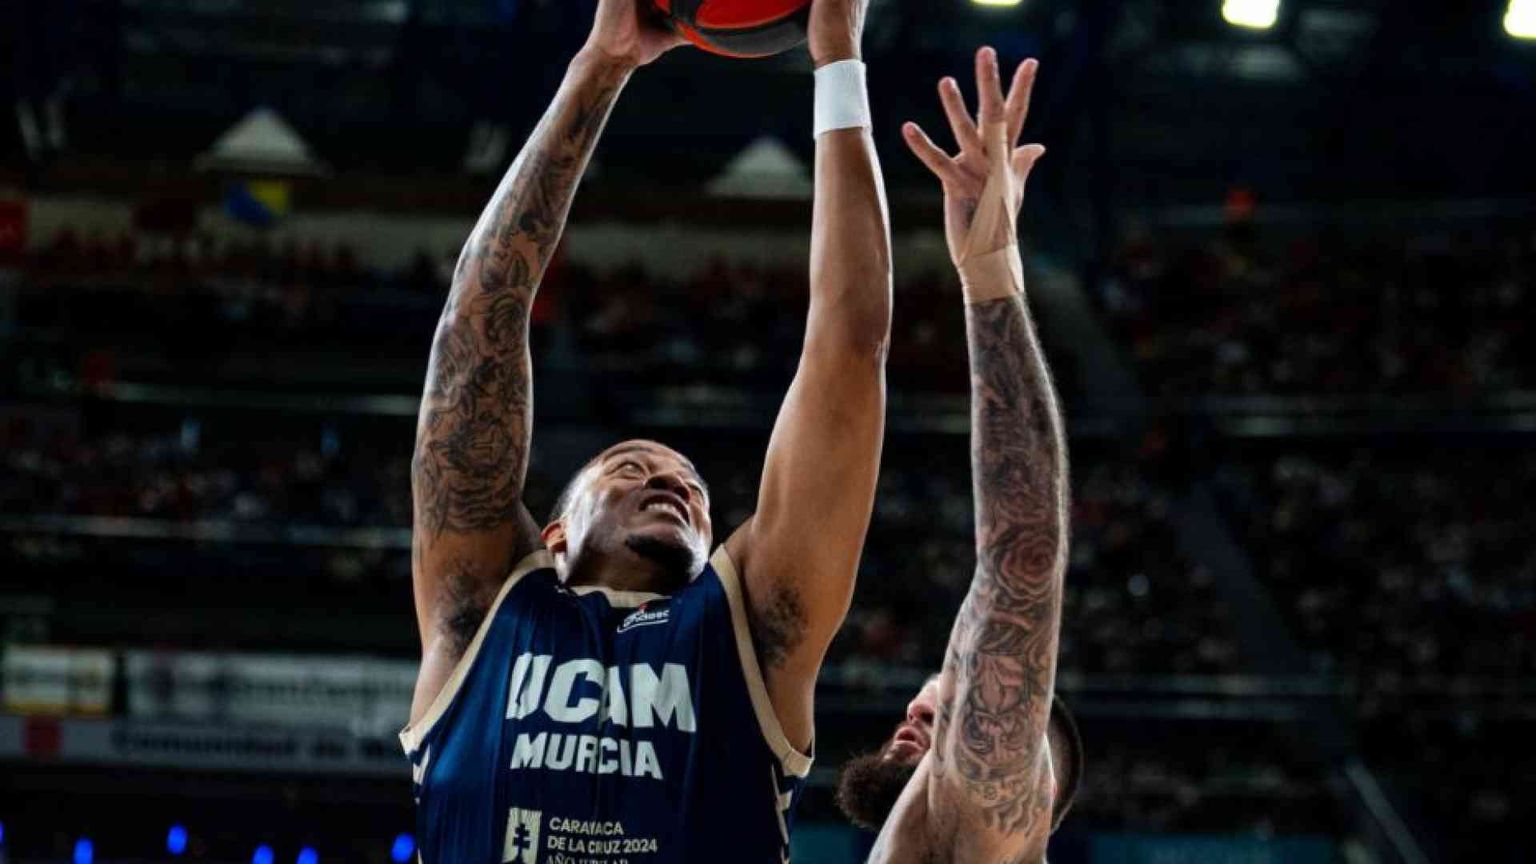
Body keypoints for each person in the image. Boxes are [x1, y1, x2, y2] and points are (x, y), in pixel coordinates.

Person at [398, 0, 892, 861]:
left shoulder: (753, 632)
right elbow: (476, 329)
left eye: (697, 491)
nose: (676, 482)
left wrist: (838, 60)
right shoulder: (479, 609)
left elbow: (849, 346)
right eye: (631, 466)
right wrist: (600, 66)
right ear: (553, 535)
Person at [834, 49, 1081, 862]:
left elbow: (1023, 554)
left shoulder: (983, 813)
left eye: (954, 714)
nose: (919, 709)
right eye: (928, 701)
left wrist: (989, 279)